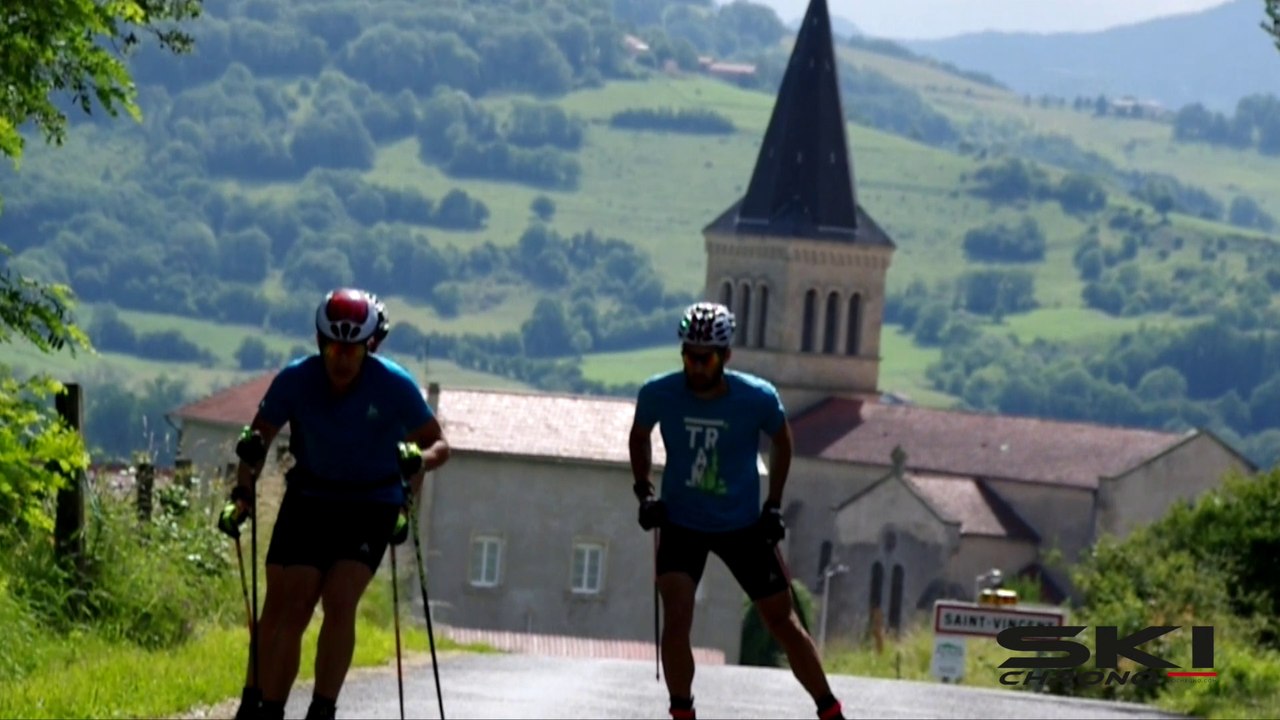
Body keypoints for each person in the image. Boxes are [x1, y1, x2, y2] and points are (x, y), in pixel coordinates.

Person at [217, 287, 450, 720]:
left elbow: (439, 444)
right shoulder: (295, 379)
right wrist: (243, 495)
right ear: (321, 343)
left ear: (370, 346)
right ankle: (269, 707)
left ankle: (322, 710)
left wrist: (418, 458)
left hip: (372, 502)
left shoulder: (393, 384)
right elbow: (257, 443)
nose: (342, 359)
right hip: (310, 496)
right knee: (291, 602)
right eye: (334, 348)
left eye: (353, 350)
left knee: (340, 600)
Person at [628, 301, 846, 720]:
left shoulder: (757, 397)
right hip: (681, 522)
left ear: (726, 356)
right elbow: (640, 436)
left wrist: (774, 505)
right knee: (676, 619)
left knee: (781, 622)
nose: (695, 365)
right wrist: (645, 494)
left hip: (743, 525)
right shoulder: (658, 392)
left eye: (705, 357)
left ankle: (830, 710)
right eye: (688, 355)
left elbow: (782, 440)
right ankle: (681, 713)